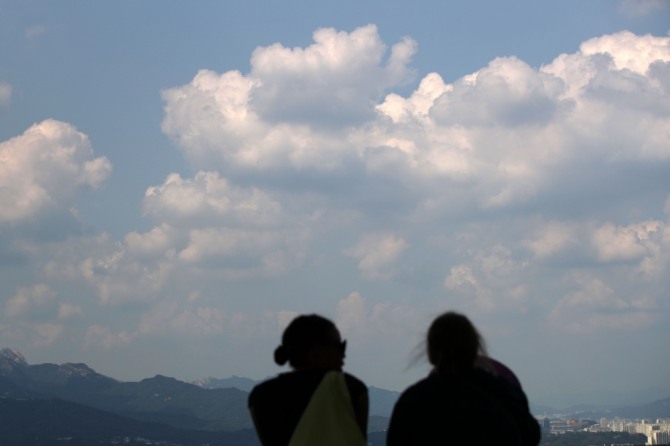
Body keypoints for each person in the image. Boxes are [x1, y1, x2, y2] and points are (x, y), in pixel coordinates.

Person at [387, 311, 540, 446]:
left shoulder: (413, 400)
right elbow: (529, 434)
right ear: (474, 347)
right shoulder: (503, 391)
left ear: (431, 352)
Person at [248, 314, 368, 446]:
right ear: (317, 351)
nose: (343, 355)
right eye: (340, 347)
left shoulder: (261, 396)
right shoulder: (350, 389)